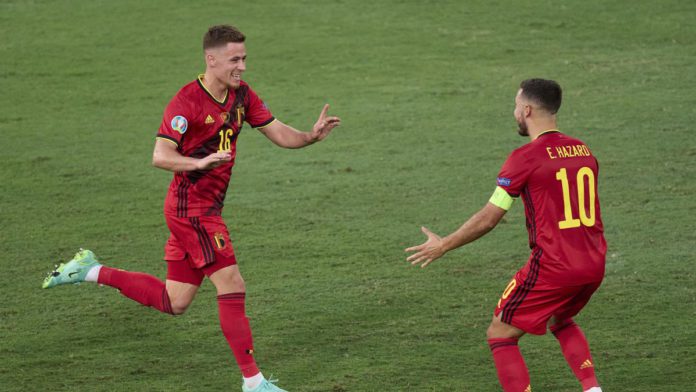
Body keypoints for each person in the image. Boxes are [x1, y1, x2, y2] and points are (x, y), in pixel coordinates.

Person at [43, 24, 340, 392]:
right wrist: (198, 164)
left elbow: (278, 131)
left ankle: (89, 270)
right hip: (193, 210)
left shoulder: (242, 96)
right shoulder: (186, 103)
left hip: (202, 208)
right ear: (211, 59)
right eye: (235, 59)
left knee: (175, 300)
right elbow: (160, 155)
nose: (242, 67)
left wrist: (310, 136)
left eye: (244, 59)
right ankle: (254, 382)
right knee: (232, 282)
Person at [405, 79, 605, 392]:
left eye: (515, 105)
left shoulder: (525, 158)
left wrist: (443, 245)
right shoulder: (583, 150)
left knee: (500, 334)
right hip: (593, 264)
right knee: (561, 319)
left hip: (555, 267)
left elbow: (488, 219)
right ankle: (593, 389)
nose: (514, 112)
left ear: (526, 109)